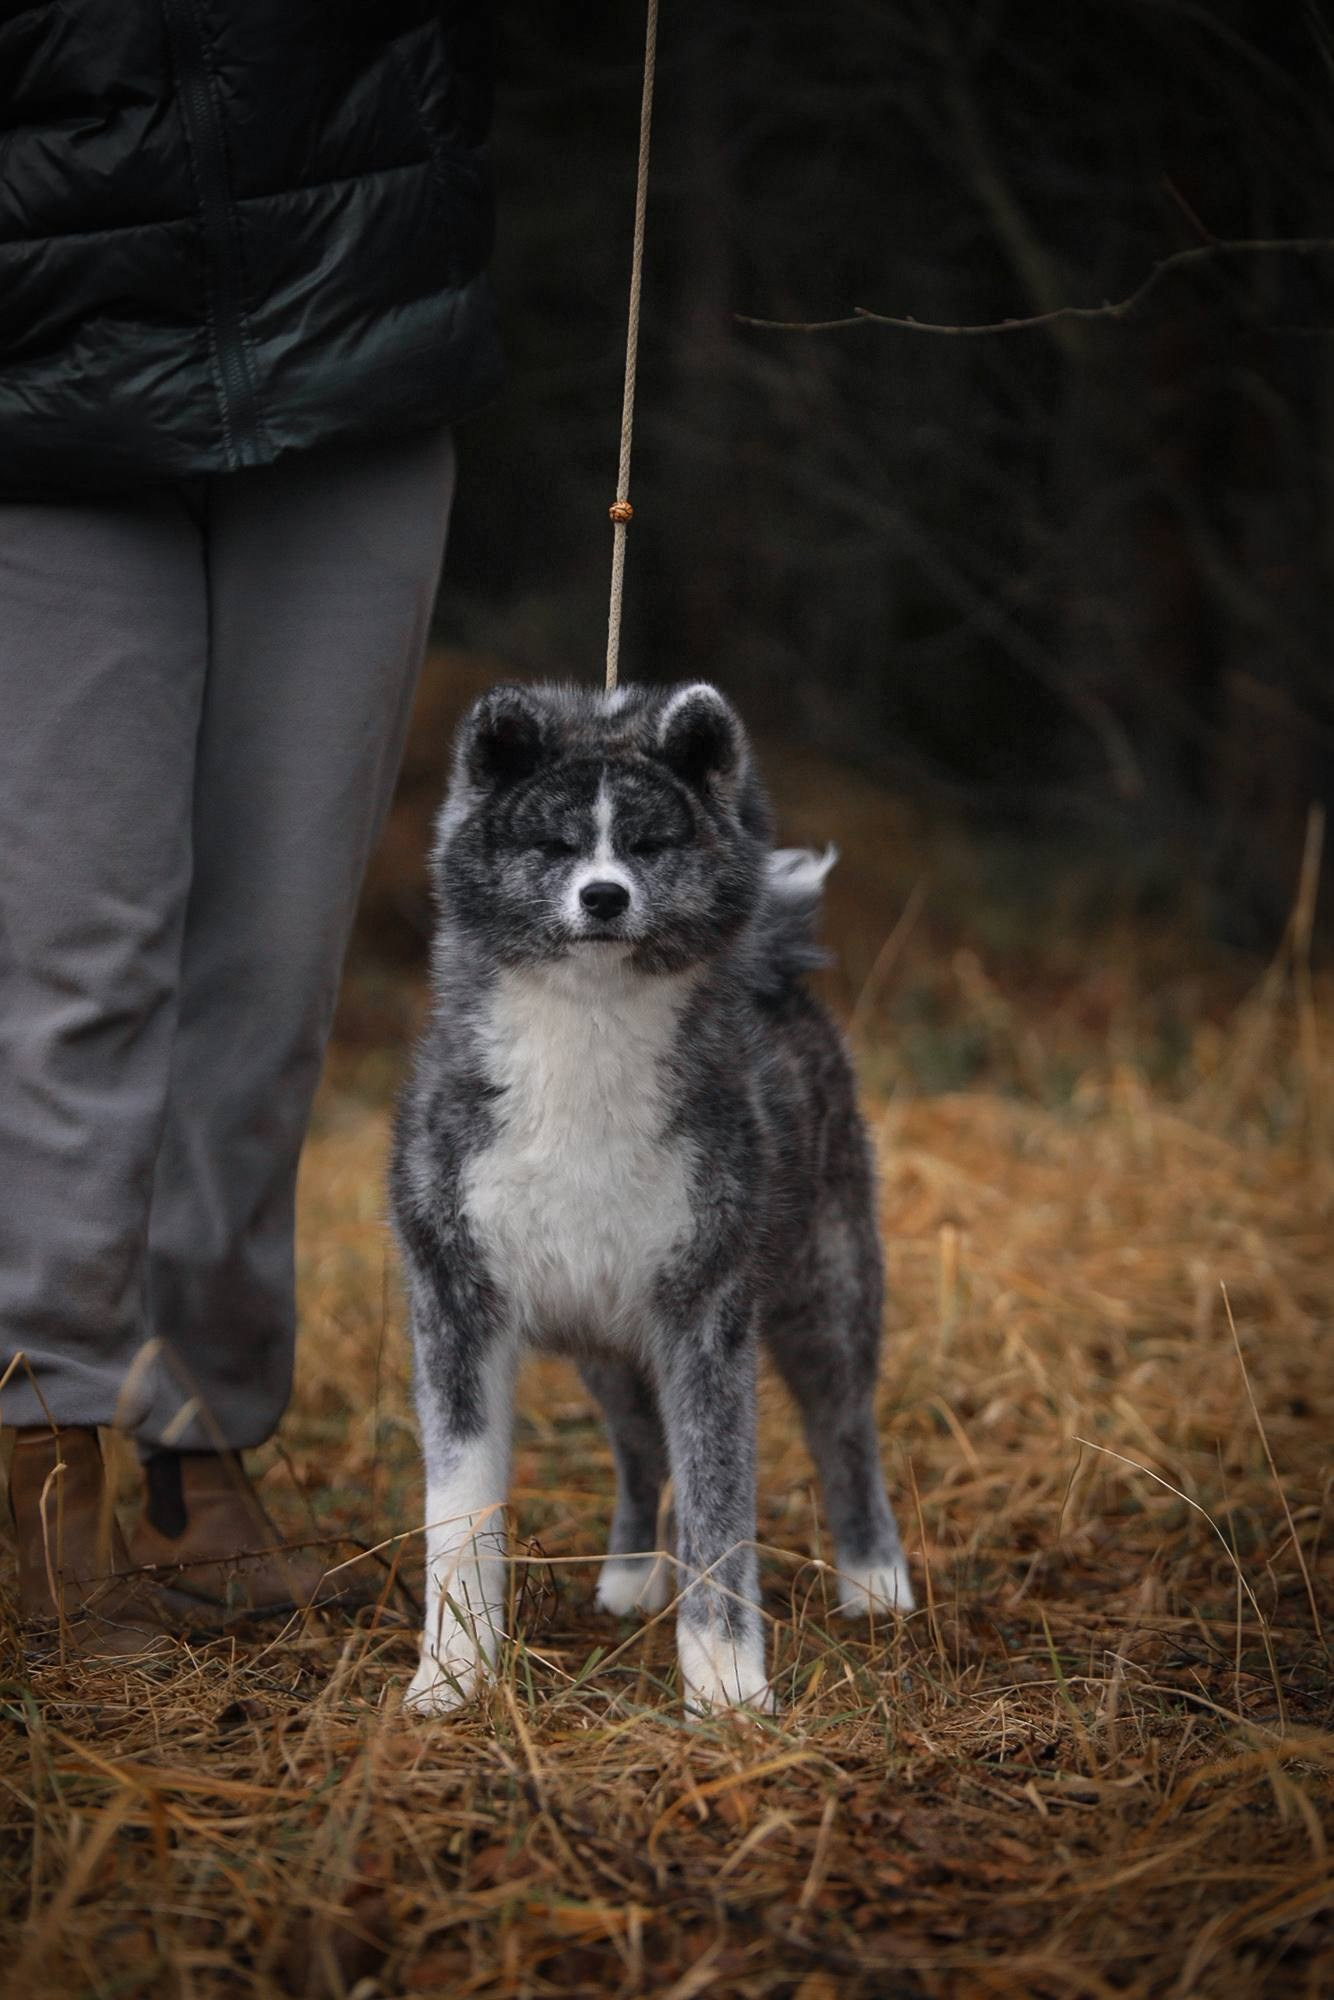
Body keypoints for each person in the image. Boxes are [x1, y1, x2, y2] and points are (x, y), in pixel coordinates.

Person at [0, 1, 501, 1656]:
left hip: (350, 319)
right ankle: (40, 1478)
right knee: (78, 951)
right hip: (35, 362)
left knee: (274, 965)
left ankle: (192, 1459)